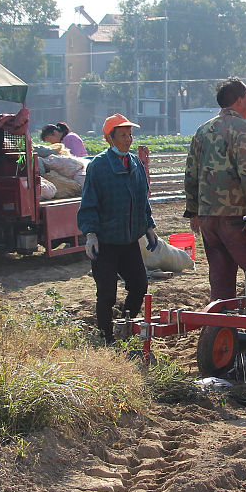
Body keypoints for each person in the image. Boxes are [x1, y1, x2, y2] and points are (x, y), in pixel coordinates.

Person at [184, 78, 246, 301]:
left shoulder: (202, 131)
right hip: (237, 218)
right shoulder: (244, 130)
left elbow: (190, 174)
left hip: (209, 219)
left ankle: (221, 328)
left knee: (221, 280)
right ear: (240, 100)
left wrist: (194, 211)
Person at [77, 113, 158, 342]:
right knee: (107, 292)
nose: (127, 139)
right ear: (109, 139)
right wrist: (91, 234)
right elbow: (89, 203)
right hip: (106, 241)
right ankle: (105, 335)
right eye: (122, 135)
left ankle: (125, 323)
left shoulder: (135, 164)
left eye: (129, 134)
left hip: (129, 240)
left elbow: (143, 201)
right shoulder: (98, 167)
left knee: (140, 284)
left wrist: (149, 227)